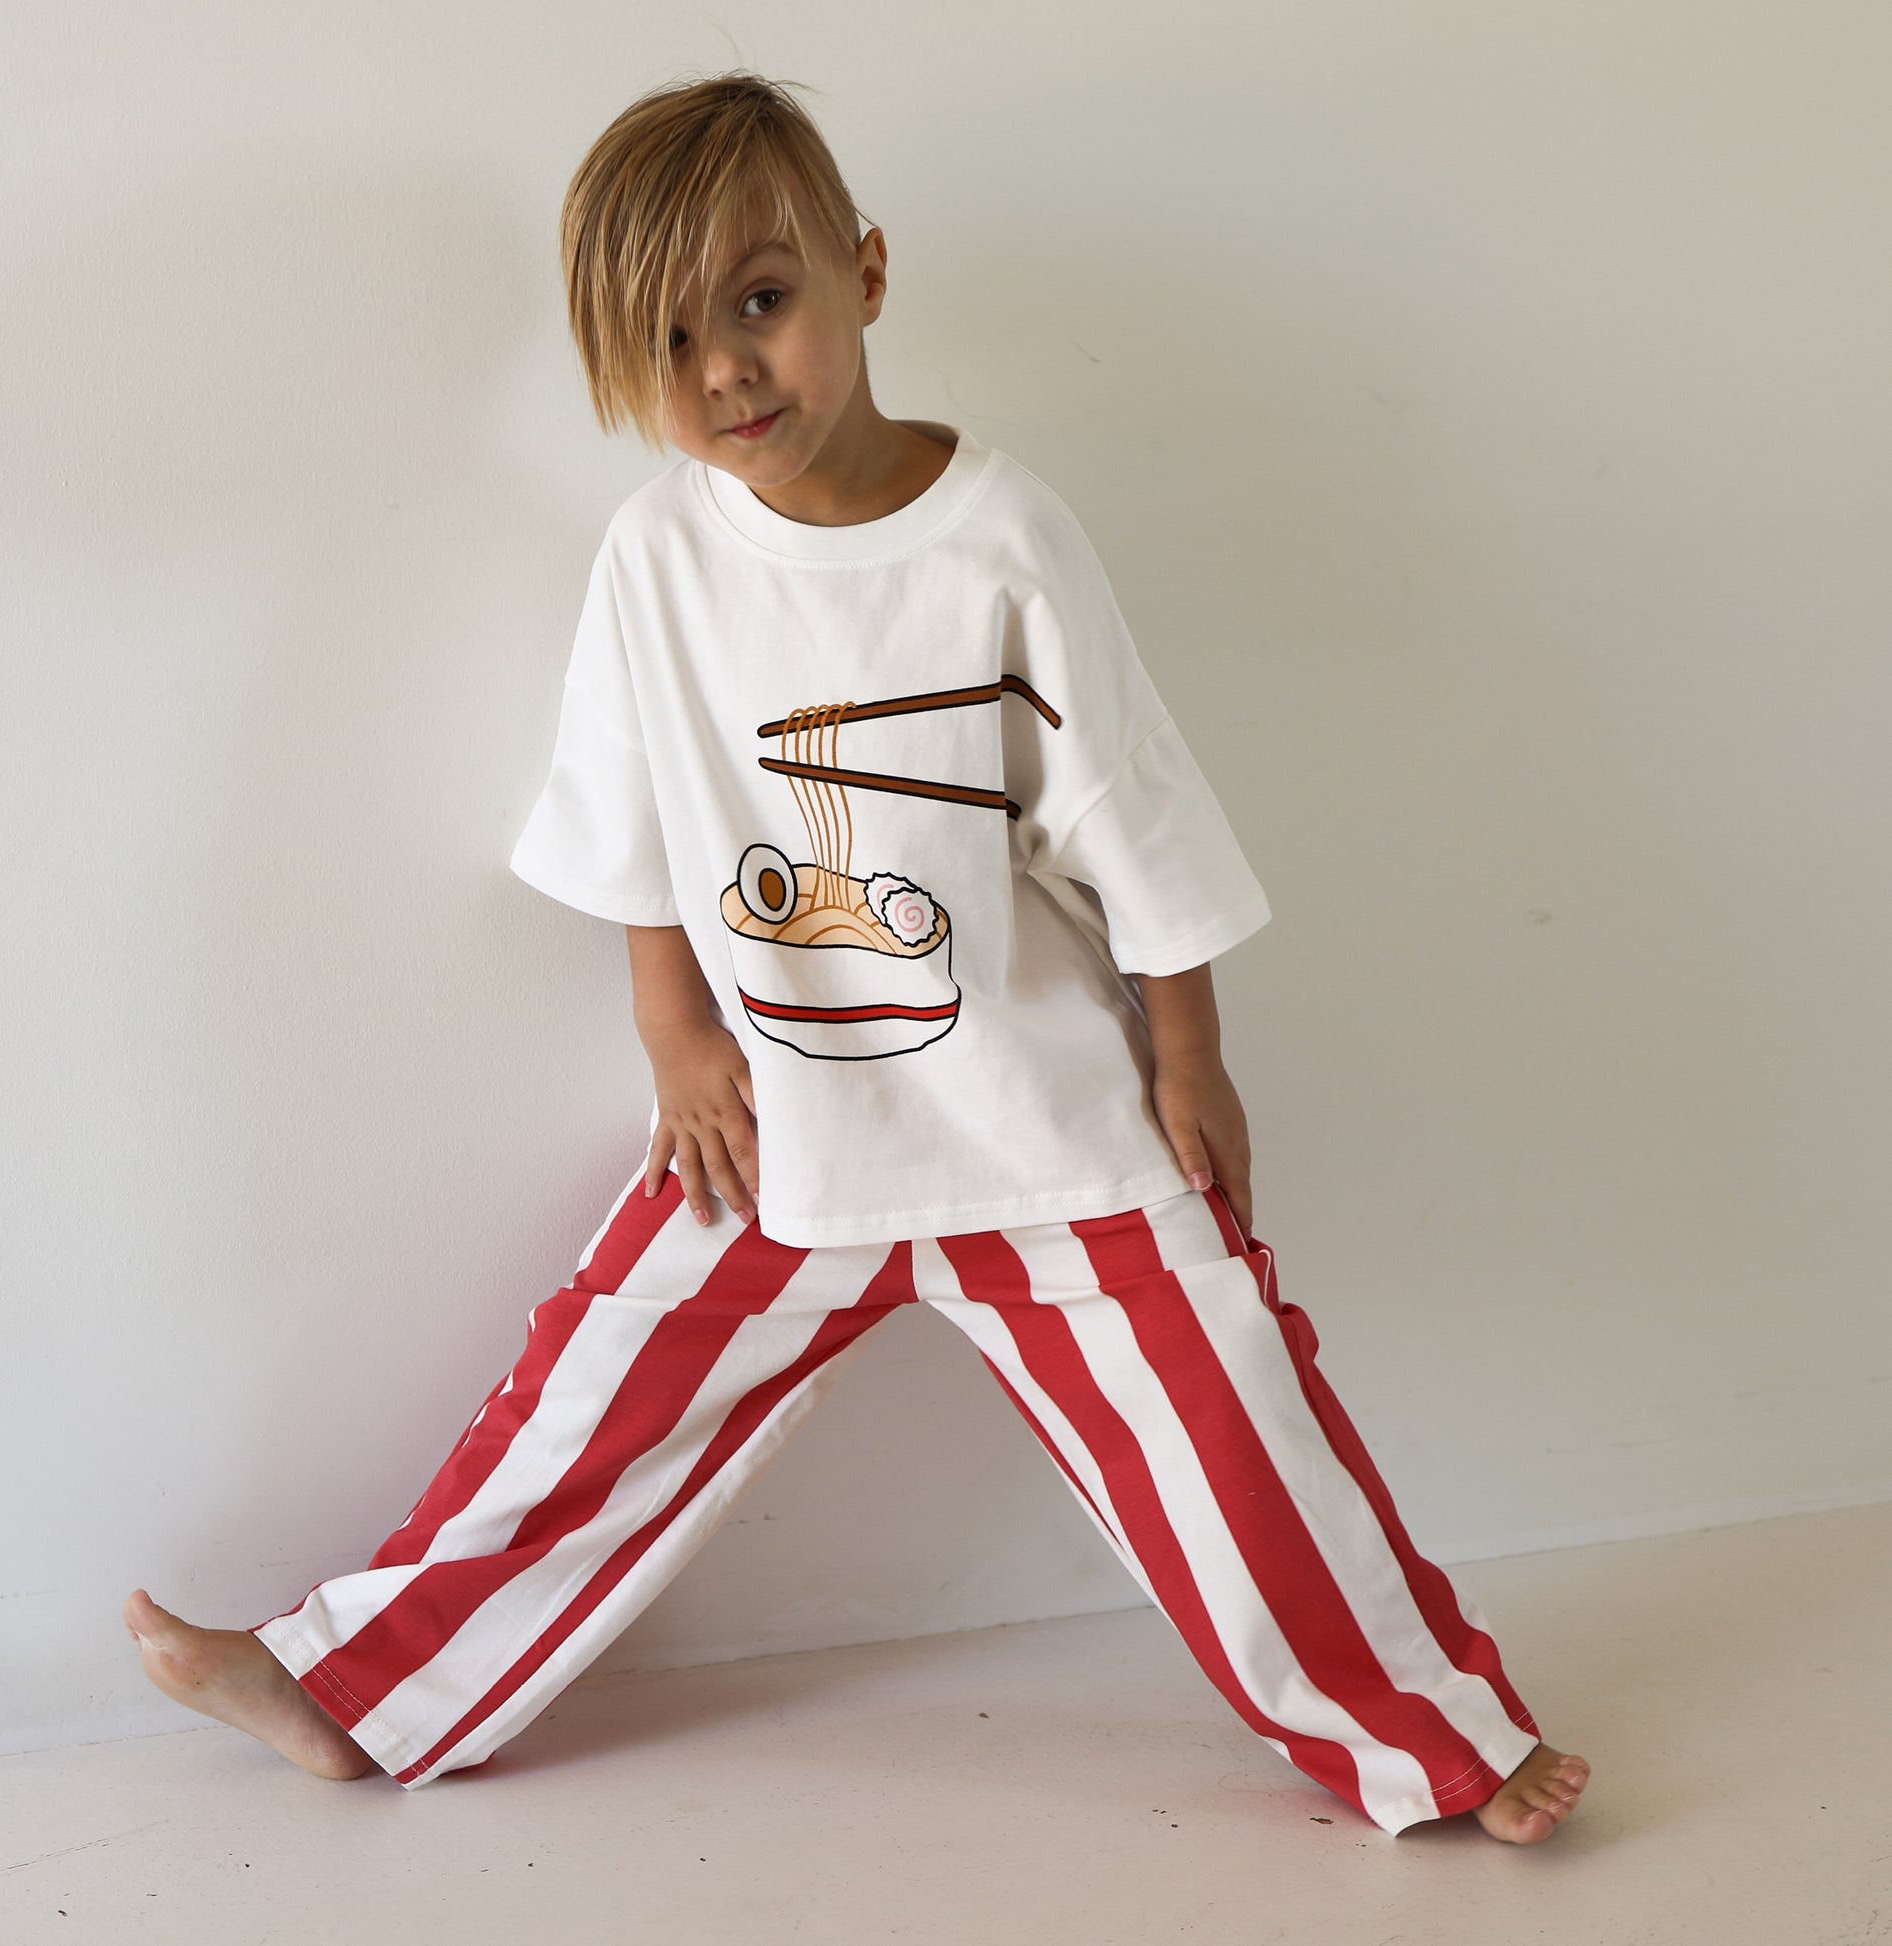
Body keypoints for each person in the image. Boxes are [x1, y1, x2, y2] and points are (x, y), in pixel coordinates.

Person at [125, 70, 1590, 1843]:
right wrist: (671, 1032)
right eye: (666, 341)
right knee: (588, 1400)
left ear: (866, 272)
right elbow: (631, 814)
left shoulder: (1002, 536)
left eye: (761, 300)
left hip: (1043, 1118)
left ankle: (1433, 1739)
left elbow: (1123, 806)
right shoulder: (656, 557)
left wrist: (1190, 1050)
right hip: (776, 1121)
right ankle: (348, 1685)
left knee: (1232, 1424)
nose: (724, 371)